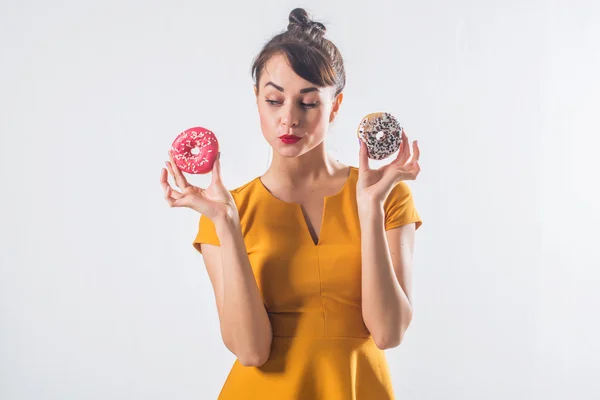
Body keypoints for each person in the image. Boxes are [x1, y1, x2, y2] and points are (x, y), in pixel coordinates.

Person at [160, 7, 422, 400]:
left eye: (308, 103)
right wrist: (227, 224)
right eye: (274, 100)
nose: (289, 119)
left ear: (335, 106)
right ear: (257, 100)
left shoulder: (387, 195)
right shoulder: (226, 210)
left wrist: (369, 212)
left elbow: (388, 333)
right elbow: (251, 351)